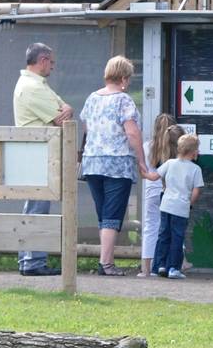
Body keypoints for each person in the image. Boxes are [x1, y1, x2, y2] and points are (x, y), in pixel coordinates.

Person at [78, 55, 158, 276]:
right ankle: (106, 264)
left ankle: (107, 260)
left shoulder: (92, 98)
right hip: (117, 164)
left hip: (92, 163)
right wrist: (142, 162)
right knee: (112, 215)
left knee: (103, 215)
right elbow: (132, 132)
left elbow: (86, 129)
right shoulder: (123, 100)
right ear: (123, 77)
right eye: (129, 79)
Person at [12, 41, 74, 277]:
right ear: (43, 60)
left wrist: (64, 109)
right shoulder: (33, 87)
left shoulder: (35, 84)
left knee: (35, 206)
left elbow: (64, 107)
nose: (53, 67)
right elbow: (61, 116)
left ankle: (30, 258)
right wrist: (64, 110)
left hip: (35, 153)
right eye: (52, 62)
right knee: (37, 207)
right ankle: (33, 261)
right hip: (36, 153)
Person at [153, 133, 204, 280]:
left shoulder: (169, 163)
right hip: (181, 208)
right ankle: (173, 268)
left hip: (166, 205)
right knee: (177, 238)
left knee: (163, 235)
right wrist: (190, 203)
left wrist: (144, 171)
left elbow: (155, 176)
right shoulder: (195, 169)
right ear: (194, 152)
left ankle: (160, 265)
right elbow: (196, 190)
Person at [137, 114, 180, 278]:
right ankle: (175, 264)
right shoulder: (177, 149)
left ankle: (146, 268)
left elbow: (143, 169)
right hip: (170, 191)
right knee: (173, 227)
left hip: (151, 191)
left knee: (150, 227)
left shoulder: (147, 146)